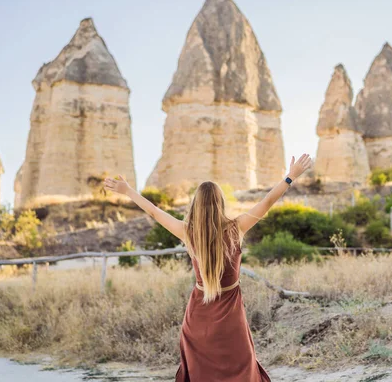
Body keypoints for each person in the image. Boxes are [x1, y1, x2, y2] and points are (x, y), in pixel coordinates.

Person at [103, 154, 312, 382]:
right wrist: (290, 177)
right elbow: (267, 202)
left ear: (196, 204)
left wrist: (128, 191)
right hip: (231, 321)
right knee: (240, 373)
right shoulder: (237, 227)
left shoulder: (188, 232)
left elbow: (154, 212)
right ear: (220, 203)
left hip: (197, 321)